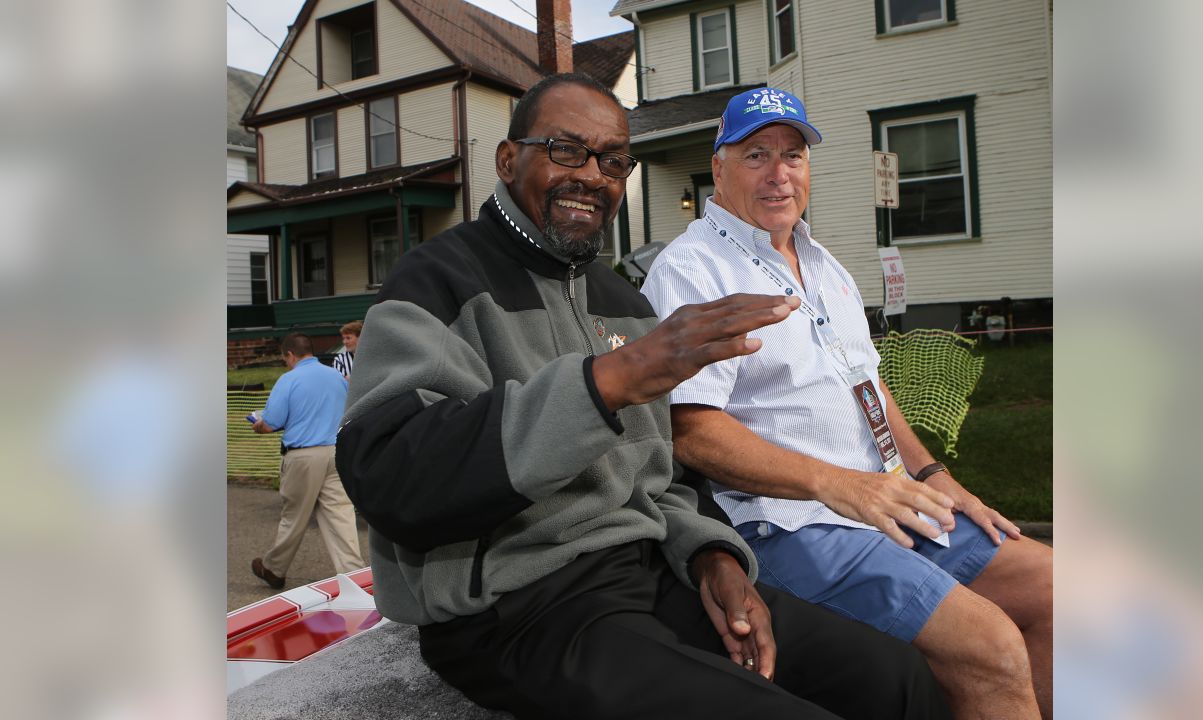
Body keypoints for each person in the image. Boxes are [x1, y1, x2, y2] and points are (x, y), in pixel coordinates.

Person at [336, 73, 952, 720]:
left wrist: (715, 555)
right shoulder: (438, 281)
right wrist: (607, 382)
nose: (592, 176)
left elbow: (665, 474)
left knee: (897, 677)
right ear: (508, 158)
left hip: (650, 574)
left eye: (611, 160)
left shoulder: (621, 301)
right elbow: (389, 471)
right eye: (566, 150)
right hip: (516, 607)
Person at [640, 87, 1054, 720]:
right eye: (757, 155)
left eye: (794, 155)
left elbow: (871, 386)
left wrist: (937, 477)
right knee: (990, 643)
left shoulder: (825, 263)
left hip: (887, 502)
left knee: (1059, 591)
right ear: (718, 167)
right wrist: (841, 487)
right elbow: (687, 429)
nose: (780, 174)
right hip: (787, 523)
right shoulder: (694, 272)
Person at [250, 333, 364, 589]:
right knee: (340, 515)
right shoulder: (337, 376)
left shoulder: (288, 380)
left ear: (290, 354)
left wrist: (259, 424)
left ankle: (274, 568)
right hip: (336, 451)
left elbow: (271, 423)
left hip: (303, 455)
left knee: (294, 516)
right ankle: (355, 575)